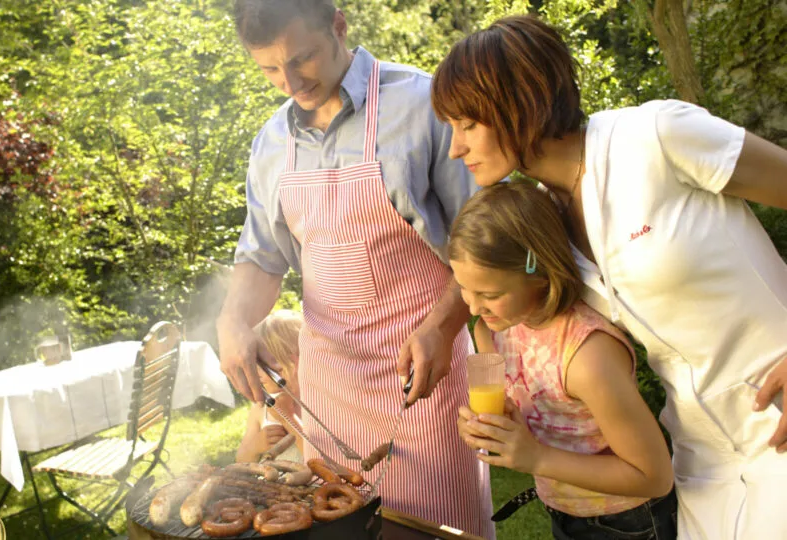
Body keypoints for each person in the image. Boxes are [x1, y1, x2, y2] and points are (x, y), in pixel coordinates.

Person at [429, 14, 787, 540]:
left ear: (518, 102)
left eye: (467, 123)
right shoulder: (545, 225)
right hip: (702, 463)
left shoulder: (656, 136)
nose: (456, 147)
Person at [215, 0, 494, 535]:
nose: (290, 82)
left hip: (423, 385)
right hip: (330, 392)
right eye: (270, 70)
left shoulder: (424, 105)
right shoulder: (272, 143)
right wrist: (233, 322)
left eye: (303, 59)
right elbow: (259, 260)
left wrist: (442, 327)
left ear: (339, 26)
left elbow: (485, 247)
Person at [450, 181, 676, 539]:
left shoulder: (588, 356)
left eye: (489, 294)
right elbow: (530, 412)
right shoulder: (492, 333)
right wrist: (497, 429)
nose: (474, 307)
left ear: (539, 273)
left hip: (627, 522)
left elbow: (655, 476)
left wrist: (536, 458)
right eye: (463, 287)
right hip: (562, 510)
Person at [236, 309, 305, 463]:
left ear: (297, 361)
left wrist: (289, 419)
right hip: (272, 486)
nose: (258, 374)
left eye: (266, 365)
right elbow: (242, 461)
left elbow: (317, 458)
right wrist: (255, 447)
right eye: (255, 365)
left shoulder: (315, 404)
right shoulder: (261, 409)